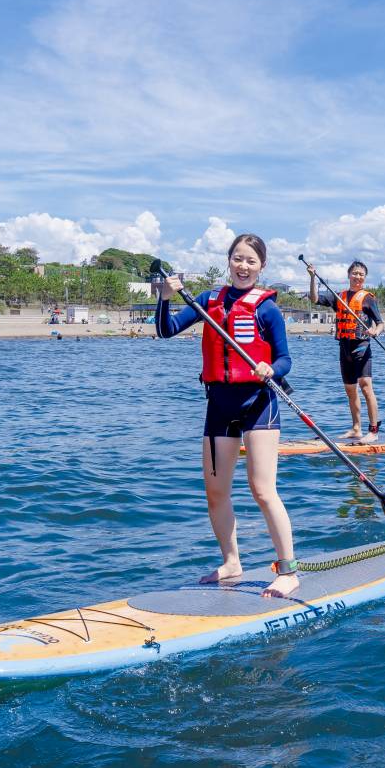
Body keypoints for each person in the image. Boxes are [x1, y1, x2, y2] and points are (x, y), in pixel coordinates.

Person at [155, 233, 300, 599]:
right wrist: (165, 298)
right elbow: (165, 330)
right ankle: (231, 562)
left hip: (258, 404)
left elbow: (285, 359)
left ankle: (288, 571)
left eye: (251, 260)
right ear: (229, 261)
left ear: (261, 266)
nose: (243, 266)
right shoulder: (207, 301)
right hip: (218, 405)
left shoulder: (267, 309)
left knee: (263, 490)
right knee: (216, 493)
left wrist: (272, 368)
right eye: (238, 258)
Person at [306, 259, 384, 441]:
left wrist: (375, 331)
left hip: (361, 347)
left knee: (366, 387)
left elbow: (380, 323)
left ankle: (373, 431)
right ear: (349, 275)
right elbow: (314, 299)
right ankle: (356, 428)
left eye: (361, 274)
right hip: (344, 348)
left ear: (364, 278)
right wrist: (312, 278)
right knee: (350, 390)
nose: (358, 277)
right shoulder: (338, 296)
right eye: (355, 273)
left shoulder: (368, 298)